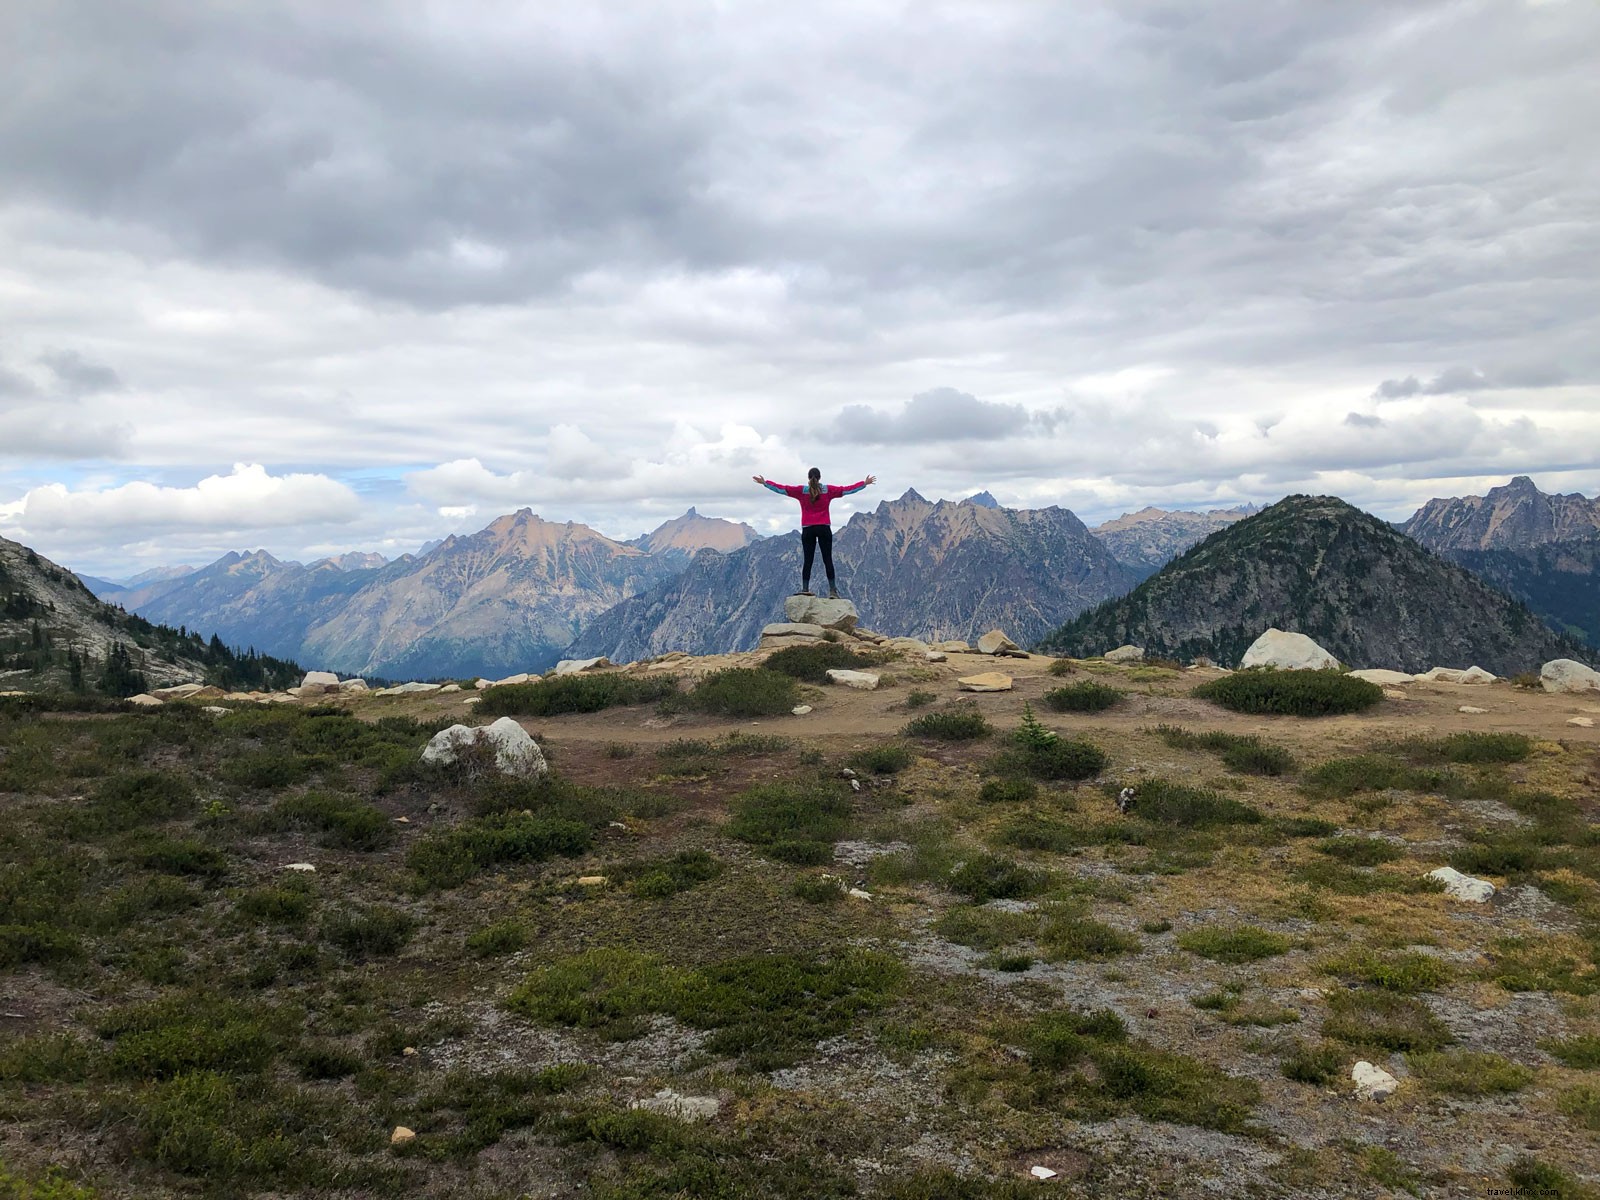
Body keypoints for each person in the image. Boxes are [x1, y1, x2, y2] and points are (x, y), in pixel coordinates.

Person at [752, 467, 875, 598]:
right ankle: (832, 591)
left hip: (808, 528)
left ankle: (805, 588)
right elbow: (846, 489)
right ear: (820, 477)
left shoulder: (801, 491)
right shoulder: (828, 490)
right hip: (824, 528)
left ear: (808, 477)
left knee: (808, 560)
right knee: (827, 559)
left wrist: (765, 483)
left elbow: (782, 489)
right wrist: (863, 484)